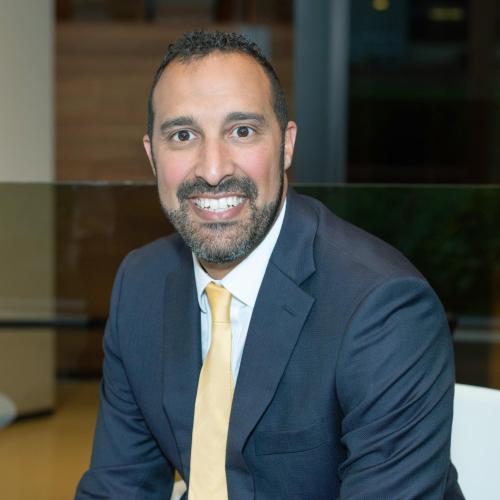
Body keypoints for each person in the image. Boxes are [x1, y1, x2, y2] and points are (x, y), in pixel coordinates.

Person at [76, 31, 464, 499]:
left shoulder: (382, 308)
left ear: (286, 145)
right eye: (183, 136)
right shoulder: (140, 284)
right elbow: (119, 486)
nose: (213, 169)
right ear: (152, 157)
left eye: (242, 131)